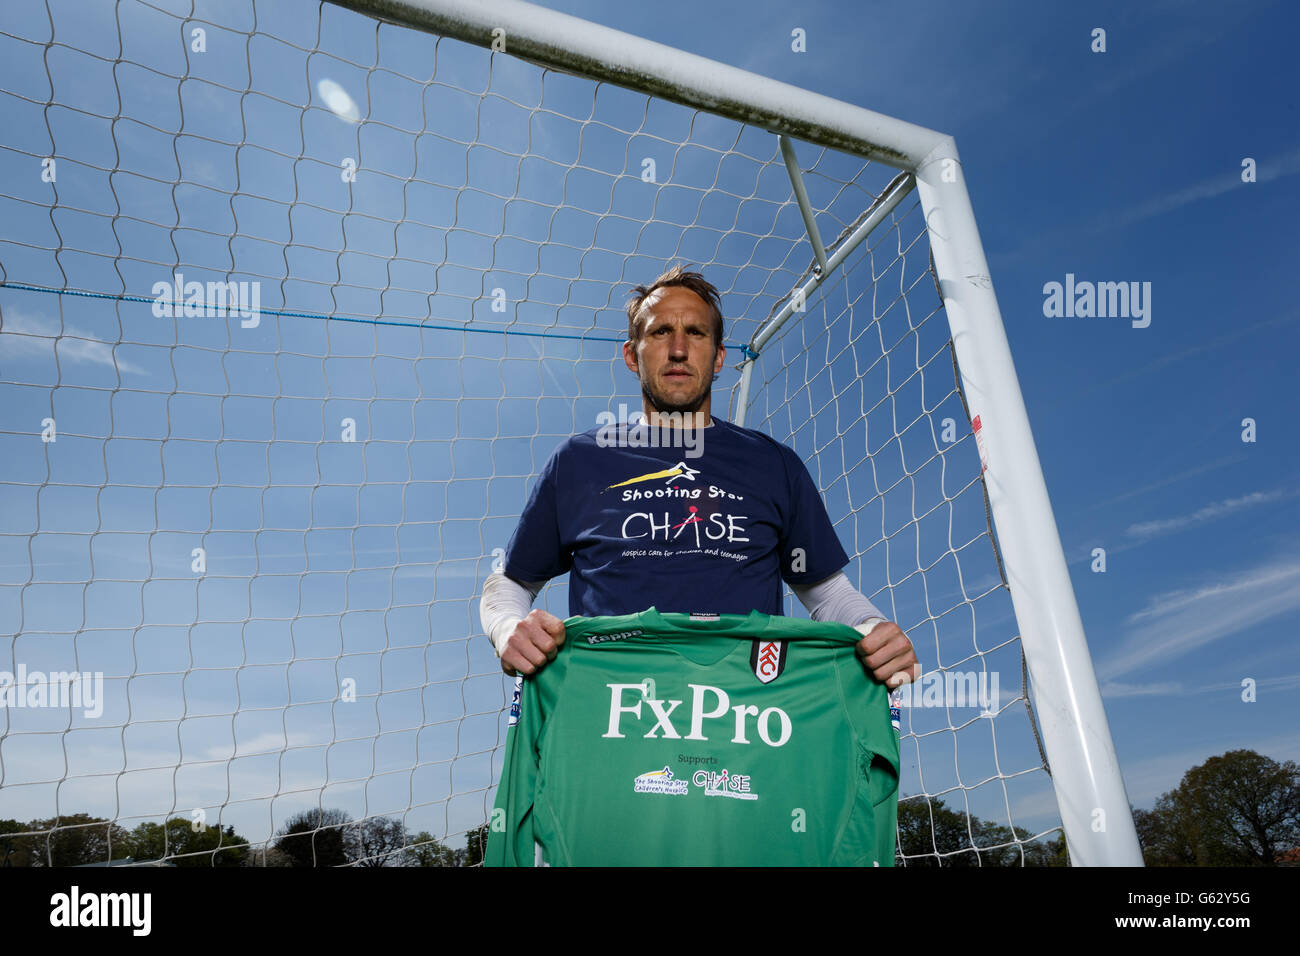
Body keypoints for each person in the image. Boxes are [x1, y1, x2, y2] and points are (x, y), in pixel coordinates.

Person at [478, 264, 917, 690]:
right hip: (611, 708)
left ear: (719, 356)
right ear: (632, 354)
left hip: (747, 716)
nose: (678, 349)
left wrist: (873, 628)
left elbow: (825, 592)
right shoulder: (579, 461)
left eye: (696, 333)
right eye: (660, 331)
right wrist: (508, 627)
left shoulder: (773, 464)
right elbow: (512, 581)